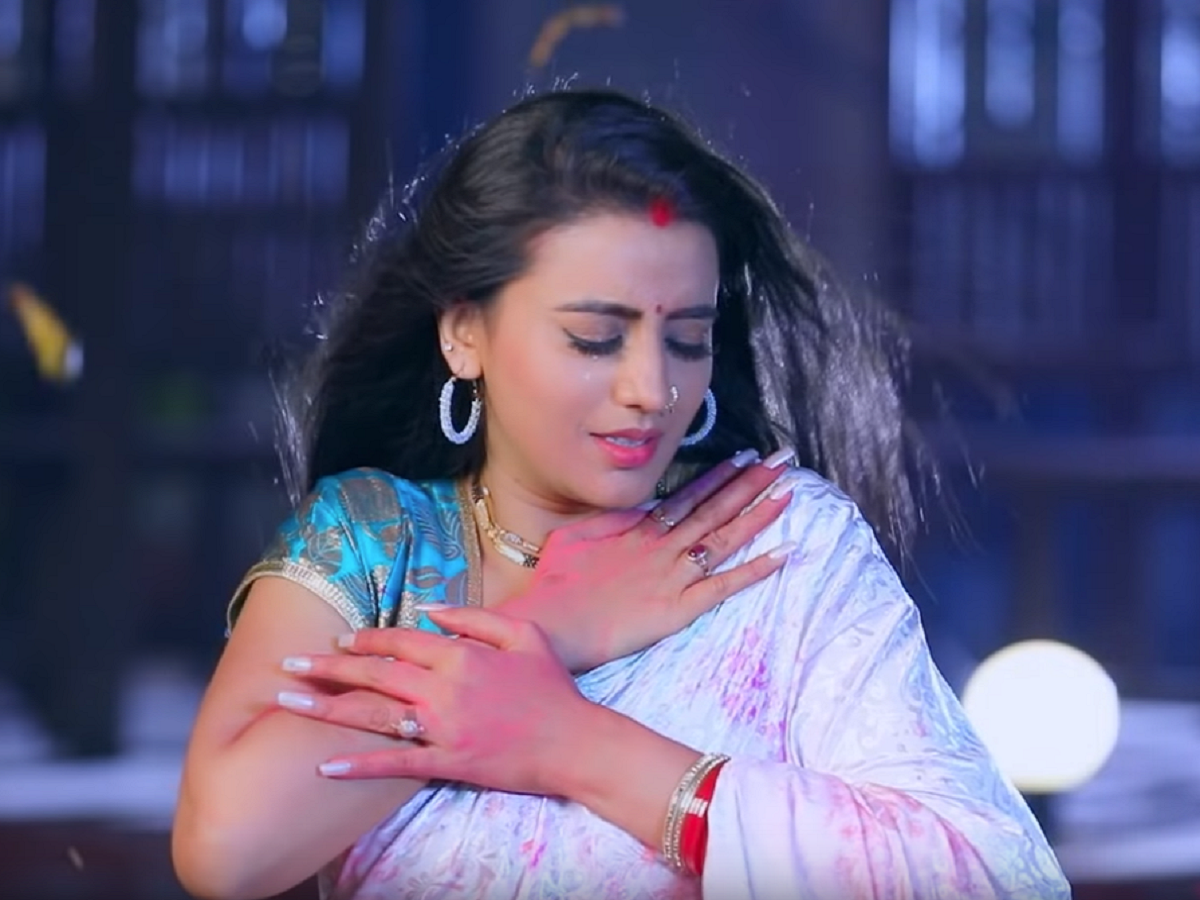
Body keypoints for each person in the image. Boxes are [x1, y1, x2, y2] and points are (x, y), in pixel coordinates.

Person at [171, 88, 1070, 900]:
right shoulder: (376, 544)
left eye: (686, 339)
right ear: (464, 333)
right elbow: (226, 851)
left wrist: (576, 746)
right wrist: (553, 625)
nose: (653, 388)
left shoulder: (769, 538)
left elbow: (993, 879)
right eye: (596, 338)